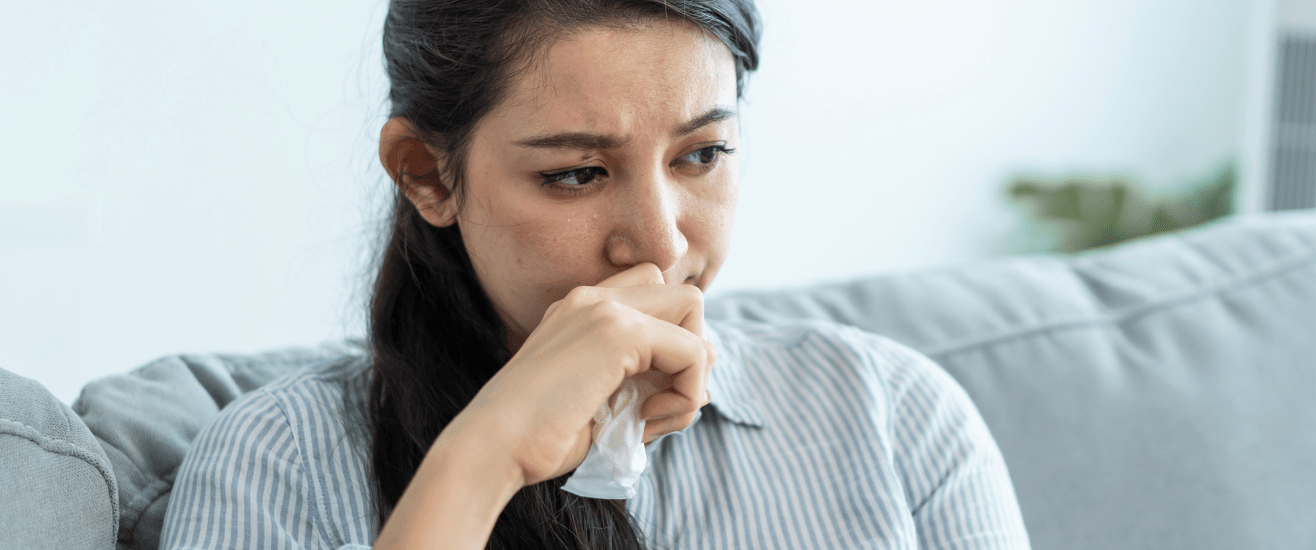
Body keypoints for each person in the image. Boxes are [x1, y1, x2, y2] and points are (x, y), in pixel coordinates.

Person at [159, 0, 1029, 548]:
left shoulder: (893, 413)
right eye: (577, 173)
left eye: (705, 154)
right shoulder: (281, 461)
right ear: (427, 172)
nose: (657, 243)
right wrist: (481, 460)